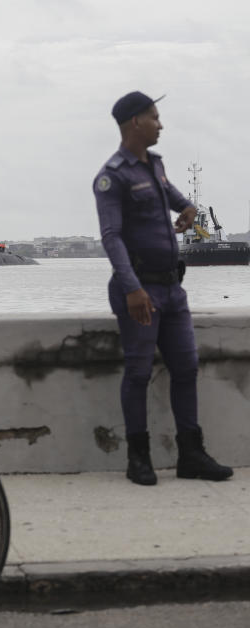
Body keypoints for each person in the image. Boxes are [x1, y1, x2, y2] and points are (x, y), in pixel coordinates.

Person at [93, 92, 233, 486]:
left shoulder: (154, 166)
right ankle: (138, 458)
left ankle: (191, 454)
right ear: (134, 122)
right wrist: (132, 288)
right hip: (140, 290)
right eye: (154, 117)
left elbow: (176, 200)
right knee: (138, 373)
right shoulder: (113, 176)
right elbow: (111, 237)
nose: (161, 124)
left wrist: (188, 210)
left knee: (186, 367)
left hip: (172, 289)